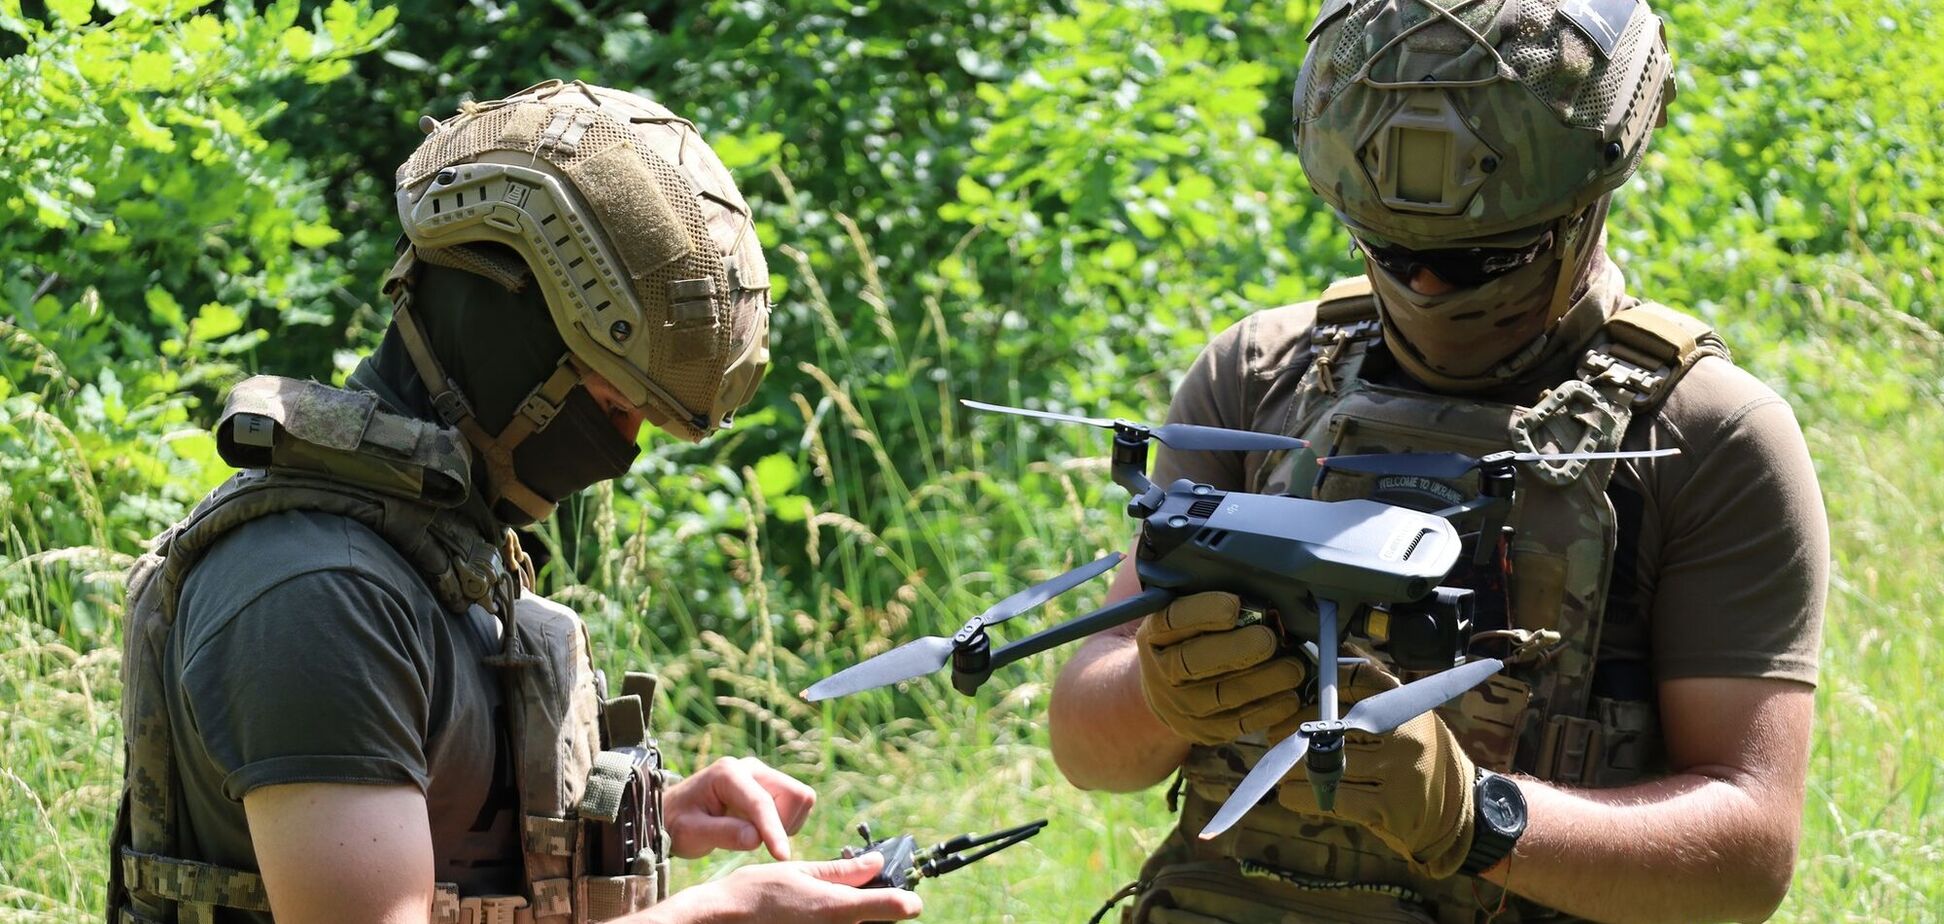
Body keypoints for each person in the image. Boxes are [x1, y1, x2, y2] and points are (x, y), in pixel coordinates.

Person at [1048, 1, 1827, 921]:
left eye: (1482, 260)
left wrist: (1478, 818)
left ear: (1588, 202)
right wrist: (1163, 691)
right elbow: (1085, 746)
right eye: (1392, 250)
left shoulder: (1703, 435)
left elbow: (1747, 858)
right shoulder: (1260, 377)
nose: (1424, 286)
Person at [107, 80, 922, 924]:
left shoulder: (436, 552)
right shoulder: (316, 592)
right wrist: (718, 916)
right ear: (507, 333)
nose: (623, 450)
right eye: (610, 406)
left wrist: (657, 818)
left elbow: (456, 847)